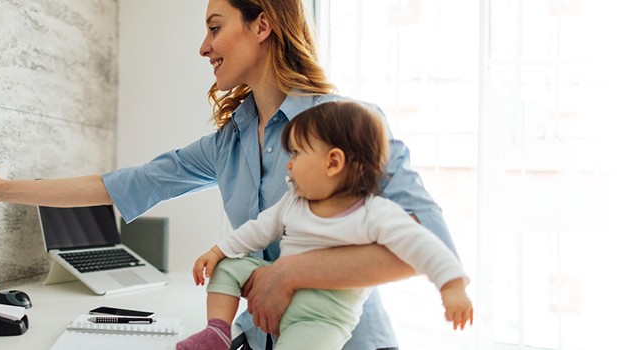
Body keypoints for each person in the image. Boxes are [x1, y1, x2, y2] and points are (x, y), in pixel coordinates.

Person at [0, 0, 460, 349]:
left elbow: (421, 246)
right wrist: (0, 191)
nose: (203, 46)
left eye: (215, 27)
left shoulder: (350, 125)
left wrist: (288, 273)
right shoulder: (229, 141)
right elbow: (125, 183)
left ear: (262, 25)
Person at [176, 101, 472, 350]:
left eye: (296, 153)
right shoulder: (295, 201)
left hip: (321, 319)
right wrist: (218, 251)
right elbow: (258, 229)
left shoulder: (374, 213)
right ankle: (216, 331)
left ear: (333, 163)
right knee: (228, 266)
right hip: (278, 292)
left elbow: (425, 246)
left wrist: (452, 287)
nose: (288, 164)